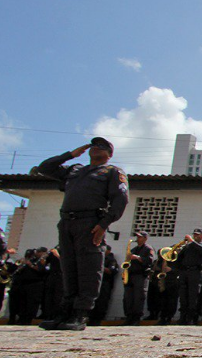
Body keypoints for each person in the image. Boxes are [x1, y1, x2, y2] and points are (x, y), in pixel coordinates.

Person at [37, 137, 129, 331]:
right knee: (68, 267)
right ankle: (65, 311)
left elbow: (120, 199)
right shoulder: (75, 169)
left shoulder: (112, 172)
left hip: (90, 223)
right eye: (93, 146)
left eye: (102, 147)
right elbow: (44, 168)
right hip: (67, 222)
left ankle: (81, 313)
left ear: (109, 154)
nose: (96, 149)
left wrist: (104, 224)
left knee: (89, 268)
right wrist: (70, 155)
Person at [175, 228, 202, 325]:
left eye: (198, 235)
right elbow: (178, 259)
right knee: (183, 295)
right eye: (194, 234)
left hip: (195, 272)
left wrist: (191, 241)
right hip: (184, 271)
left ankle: (191, 317)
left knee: (193, 295)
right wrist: (179, 250)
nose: (196, 236)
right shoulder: (187, 246)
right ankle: (182, 317)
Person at [122, 231, 154, 325]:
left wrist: (138, 258)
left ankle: (136, 318)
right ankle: (129, 316)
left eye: (140, 237)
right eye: (137, 236)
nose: (138, 238)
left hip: (140, 275)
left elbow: (150, 260)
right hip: (130, 275)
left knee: (138, 297)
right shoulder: (134, 249)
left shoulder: (148, 248)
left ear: (145, 238)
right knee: (128, 297)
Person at [89, 246, 119, 326]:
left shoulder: (111, 260)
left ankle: (98, 320)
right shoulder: (99, 258)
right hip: (95, 283)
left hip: (105, 284)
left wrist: (100, 266)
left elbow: (111, 271)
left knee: (102, 303)